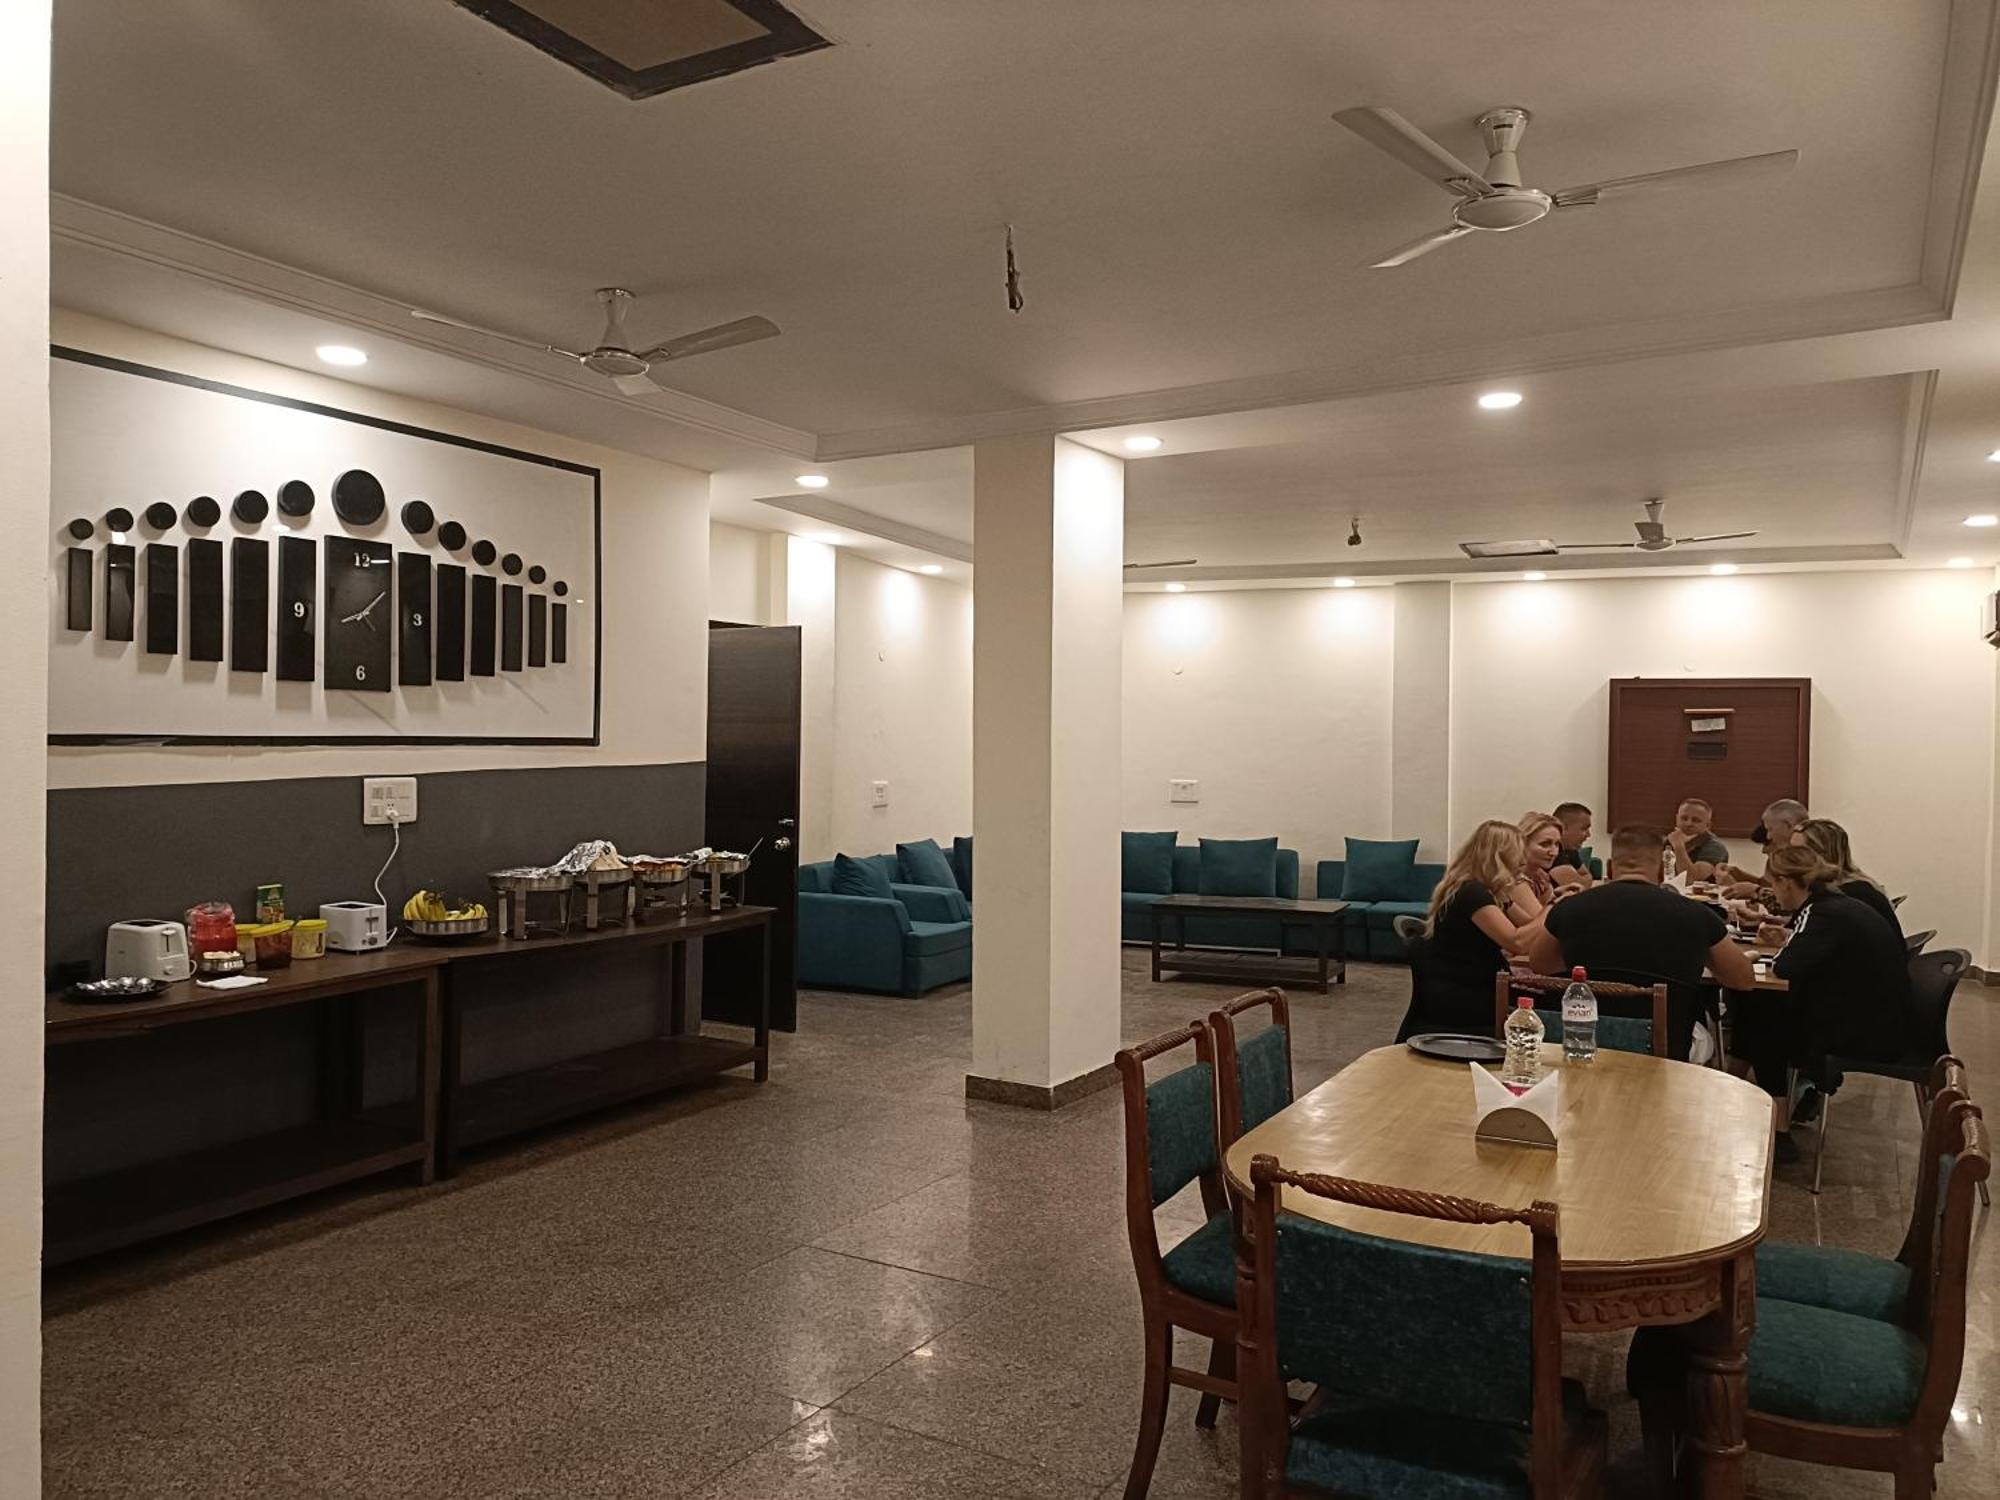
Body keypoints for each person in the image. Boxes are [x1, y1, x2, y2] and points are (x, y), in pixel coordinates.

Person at [1735, 843, 1911, 1158]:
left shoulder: (1820, 912)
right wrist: (1791, 939)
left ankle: (1777, 1131)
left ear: (1786, 883)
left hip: (1864, 1032)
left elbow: (1786, 966)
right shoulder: (1837, 905)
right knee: (1760, 1010)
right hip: (1882, 1016)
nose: (1773, 894)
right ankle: (1744, 1100)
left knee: (1763, 1017)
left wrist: (1785, 945)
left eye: (1773, 884)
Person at [1527, 824, 1755, 1059]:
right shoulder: (1697, 915)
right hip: (1667, 1048)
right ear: (1661, 872)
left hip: (1581, 1041)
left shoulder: (1569, 908)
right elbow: (1743, 980)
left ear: (1610, 868)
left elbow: (1541, 964)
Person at [1395, 820, 1546, 1041]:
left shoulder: (1490, 892)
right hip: (1466, 994)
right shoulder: (1472, 893)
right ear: (1499, 858)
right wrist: (1553, 909)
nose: (1522, 862)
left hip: (1469, 984)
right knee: (1553, 1003)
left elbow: (1529, 925)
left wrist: (1552, 905)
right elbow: (1517, 943)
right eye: (1517, 855)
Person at [1784, 818, 1902, 944]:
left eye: (1798, 852)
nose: (1790, 858)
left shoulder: (1850, 894)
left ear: (1821, 854)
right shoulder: (1851, 885)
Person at [1720, 798, 1808, 893]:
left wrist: (1733, 886)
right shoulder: (1779, 854)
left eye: (1770, 829)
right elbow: (1766, 885)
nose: (1768, 836)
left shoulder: (1809, 859)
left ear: (1789, 826)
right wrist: (1739, 875)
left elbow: (1788, 899)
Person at [1506, 811, 1564, 920]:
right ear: (1523, 843)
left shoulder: (1539, 875)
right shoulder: (1515, 880)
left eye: (1557, 844)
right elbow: (1546, 923)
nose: (1554, 852)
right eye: (1545, 844)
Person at [1665, 797, 1729, 880]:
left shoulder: (1715, 847)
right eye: (1684, 818)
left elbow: (1689, 879)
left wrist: (1679, 847)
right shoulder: (1667, 841)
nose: (1688, 823)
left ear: (1708, 825)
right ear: (1677, 819)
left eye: (1696, 820)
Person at [1548, 802, 1595, 888]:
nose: (1588, 835)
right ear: (1563, 827)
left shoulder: (1570, 850)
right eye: (1584, 829)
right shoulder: (1552, 852)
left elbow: (1586, 878)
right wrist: (1584, 879)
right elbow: (1580, 886)